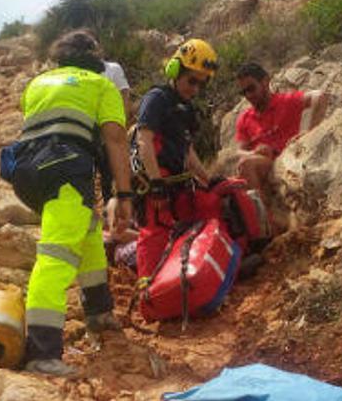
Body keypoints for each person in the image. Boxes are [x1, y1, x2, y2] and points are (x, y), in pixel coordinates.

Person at [11, 29, 133, 377]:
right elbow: (116, 140)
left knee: (88, 232)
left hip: (26, 173)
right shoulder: (101, 85)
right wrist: (123, 196)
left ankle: (99, 312)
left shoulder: (37, 83)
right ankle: (42, 352)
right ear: (96, 59)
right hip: (65, 169)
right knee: (57, 257)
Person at [130, 38, 217, 279]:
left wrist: (208, 180)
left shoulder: (187, 109)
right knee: (156, 231)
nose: (195, 89)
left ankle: (189, 278)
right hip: (155, 181)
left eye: (201, 84)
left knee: (202, 212)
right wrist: (156, 184)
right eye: (191, 80)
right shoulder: (157, 99)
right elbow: (144, 140)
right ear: (176, 70)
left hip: (178, 182)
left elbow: (188, 152)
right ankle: (148, 290)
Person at [234, 62, 329, 194]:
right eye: (244, 92)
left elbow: (319, 96)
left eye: (251, 89)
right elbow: (239, 152)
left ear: (265, 81)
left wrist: (308, 134)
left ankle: (260, 212)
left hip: (287, 161)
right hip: (262, 164)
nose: (248, 96)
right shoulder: (245, 118)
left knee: (246, 165)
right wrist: (254, 153)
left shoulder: (285, 101)